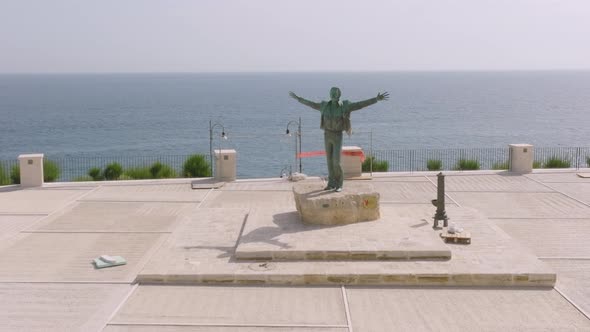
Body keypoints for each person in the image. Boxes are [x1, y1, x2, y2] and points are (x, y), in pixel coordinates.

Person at [289, 87, 389, 192]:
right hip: (327, 135)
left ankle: (339, 183)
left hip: (337, 135)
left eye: (335, 93)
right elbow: (311, 104)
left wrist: (376, 99)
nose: (333, 95)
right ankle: (331, 183)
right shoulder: (324, 106)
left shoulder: (345, 106)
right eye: (332, 93)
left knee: (336, 161)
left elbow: (360, 105)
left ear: (339, 95)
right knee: (329, 161)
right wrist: (299, 99)